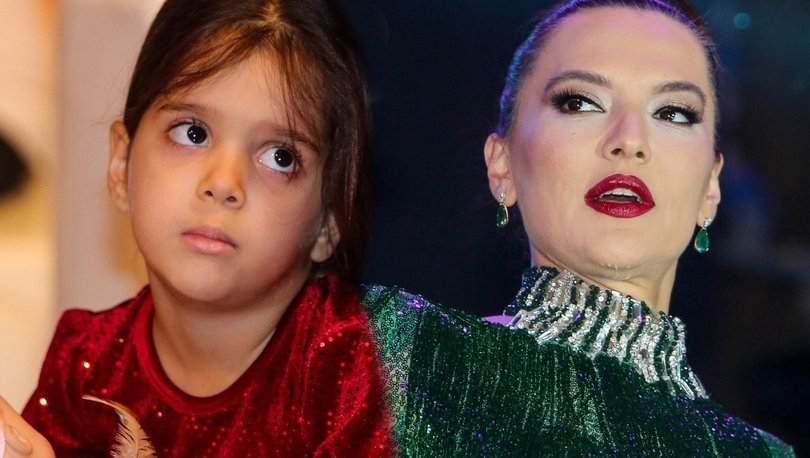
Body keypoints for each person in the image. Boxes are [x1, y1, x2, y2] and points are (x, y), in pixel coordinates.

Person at [364, 0, 795, 455]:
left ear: (710, 187)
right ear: (502, 166)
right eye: (580, 102)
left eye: (673, 112)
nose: (630, 140)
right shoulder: (396, 357)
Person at [0, 0, 395, 456]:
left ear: (329, 221)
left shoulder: (360, 369)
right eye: (192, 133)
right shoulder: (85, 368)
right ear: (121, 165)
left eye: (279, 157)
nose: (223, 183)